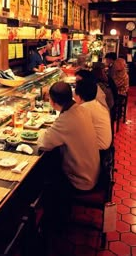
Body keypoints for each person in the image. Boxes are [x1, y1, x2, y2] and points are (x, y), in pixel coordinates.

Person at [37, 82, 100, 228]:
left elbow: (43, 144)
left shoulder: (66, 119)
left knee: (45, 176)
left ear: (51, 102)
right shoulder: (81, 109)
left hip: (81, 180)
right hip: (93, 171)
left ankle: (52, 223)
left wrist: (49, 130)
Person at [74, 79, 112, 150]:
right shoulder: (95, 103)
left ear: (79, 96)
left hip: (98, 149)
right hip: (106, 145)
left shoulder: (84, 108)